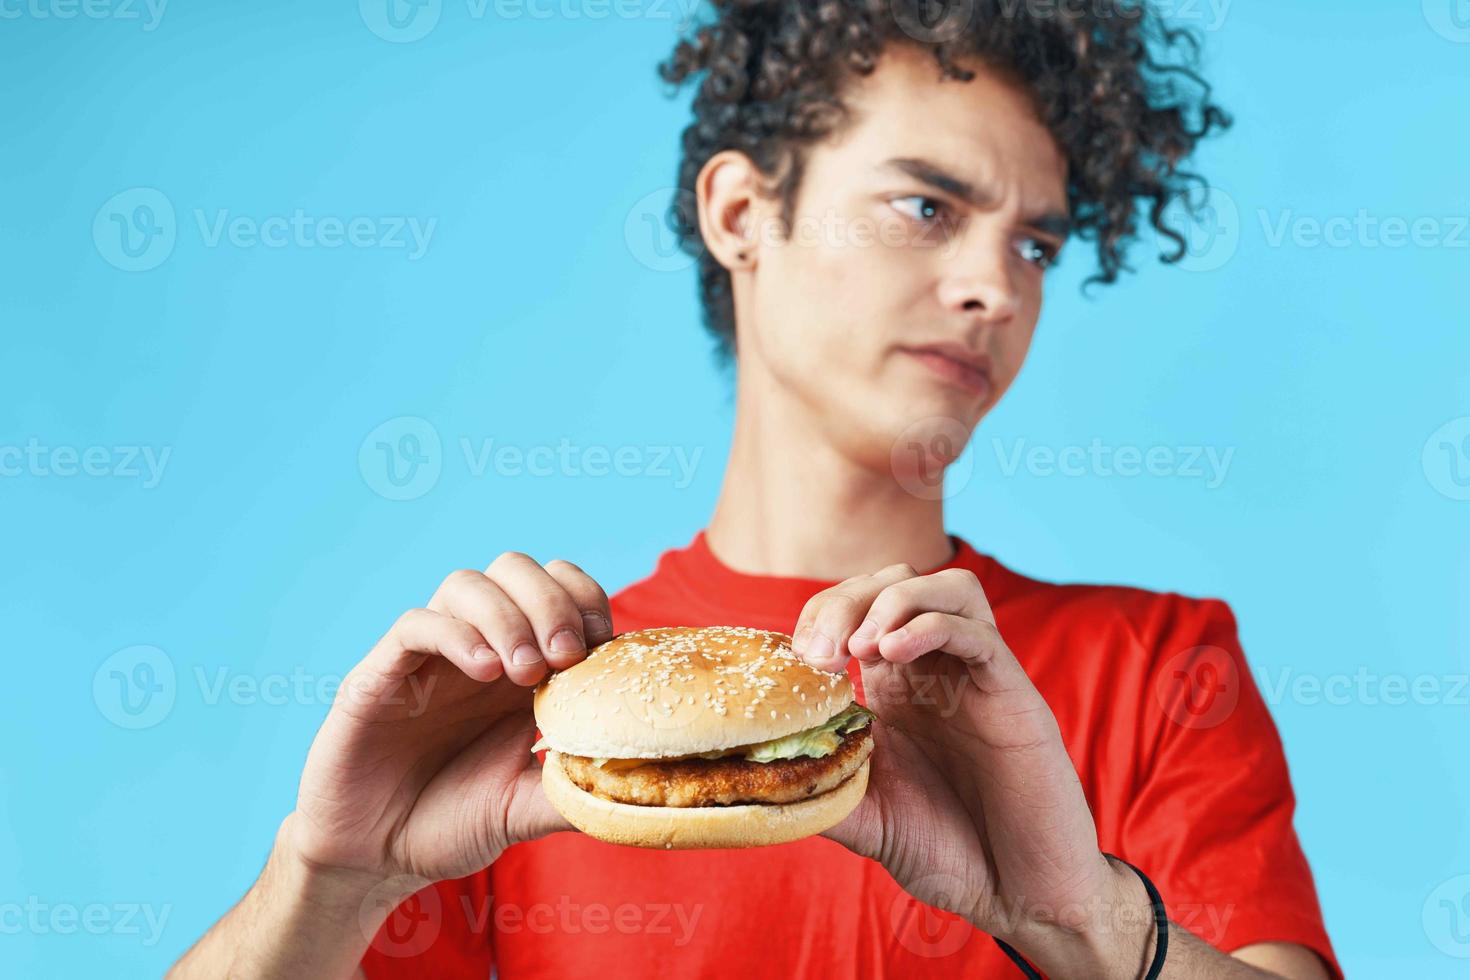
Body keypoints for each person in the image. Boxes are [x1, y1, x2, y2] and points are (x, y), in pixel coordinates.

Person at [171, 1, 1339, 976]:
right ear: (742, 214)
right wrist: (326, 881)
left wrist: (1077, 914)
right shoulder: (524, 714)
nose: (996, 286)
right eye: (926, 207)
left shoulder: (1158, 663)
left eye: (1035, 243)